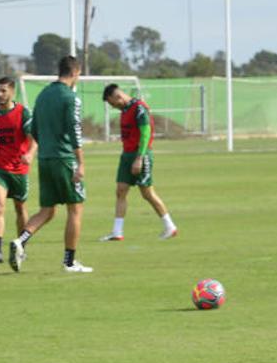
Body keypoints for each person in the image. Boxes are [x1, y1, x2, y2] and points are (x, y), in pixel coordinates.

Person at [10, 55, 93, 273]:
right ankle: (69, 261)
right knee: (75, 208)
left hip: (45, 159)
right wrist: (81, 163)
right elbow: (75, 132)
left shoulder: (43, 95)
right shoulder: (70, 98)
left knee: (47, 210)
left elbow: (34, 130)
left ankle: (20, 241)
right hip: (65, 159)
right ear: (75, 72)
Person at [100, 84, 178, 241]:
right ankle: (117, 232)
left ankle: (170, 226)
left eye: (112, 103)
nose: (113, 107)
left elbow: (145, 133)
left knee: (147, 193)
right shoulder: (125, 110)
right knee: (121, 191)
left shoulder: (140, 108)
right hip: (126, 155)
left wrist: (140, 158)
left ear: (118, 97)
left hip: (140, 155)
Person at [0, 77, 36, 264]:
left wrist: (30, 153)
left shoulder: (23, 113)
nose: (0, 94)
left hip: (19, 169)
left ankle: (21, 247)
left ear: (12, 92)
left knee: (20, 207)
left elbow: (33, 137)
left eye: (3, 91)